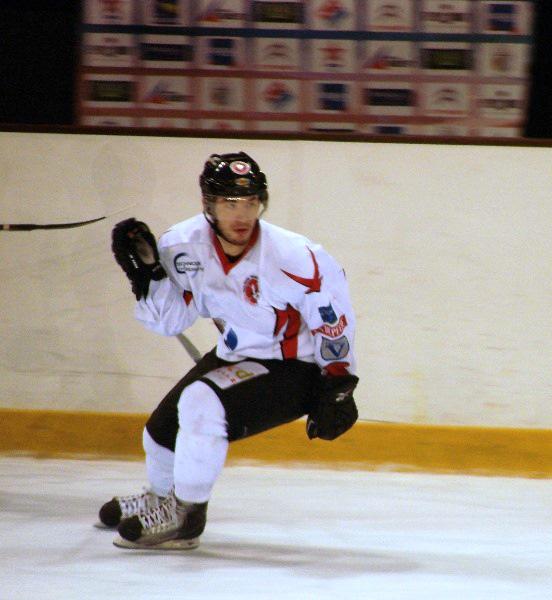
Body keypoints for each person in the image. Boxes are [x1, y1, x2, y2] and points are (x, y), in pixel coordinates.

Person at [100, 151, 359, 550]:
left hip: (296, 366)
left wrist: (338, 384)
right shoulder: (182, 246)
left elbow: (333, 320)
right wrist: (149, 279)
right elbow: (171, 322)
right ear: (209, 205)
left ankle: (185, 517)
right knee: (160, 433)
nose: (241, 215)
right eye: (229, 203)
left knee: (200, 402)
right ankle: (161, 496)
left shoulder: (295, 256)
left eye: (250, 202)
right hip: (237, 355)